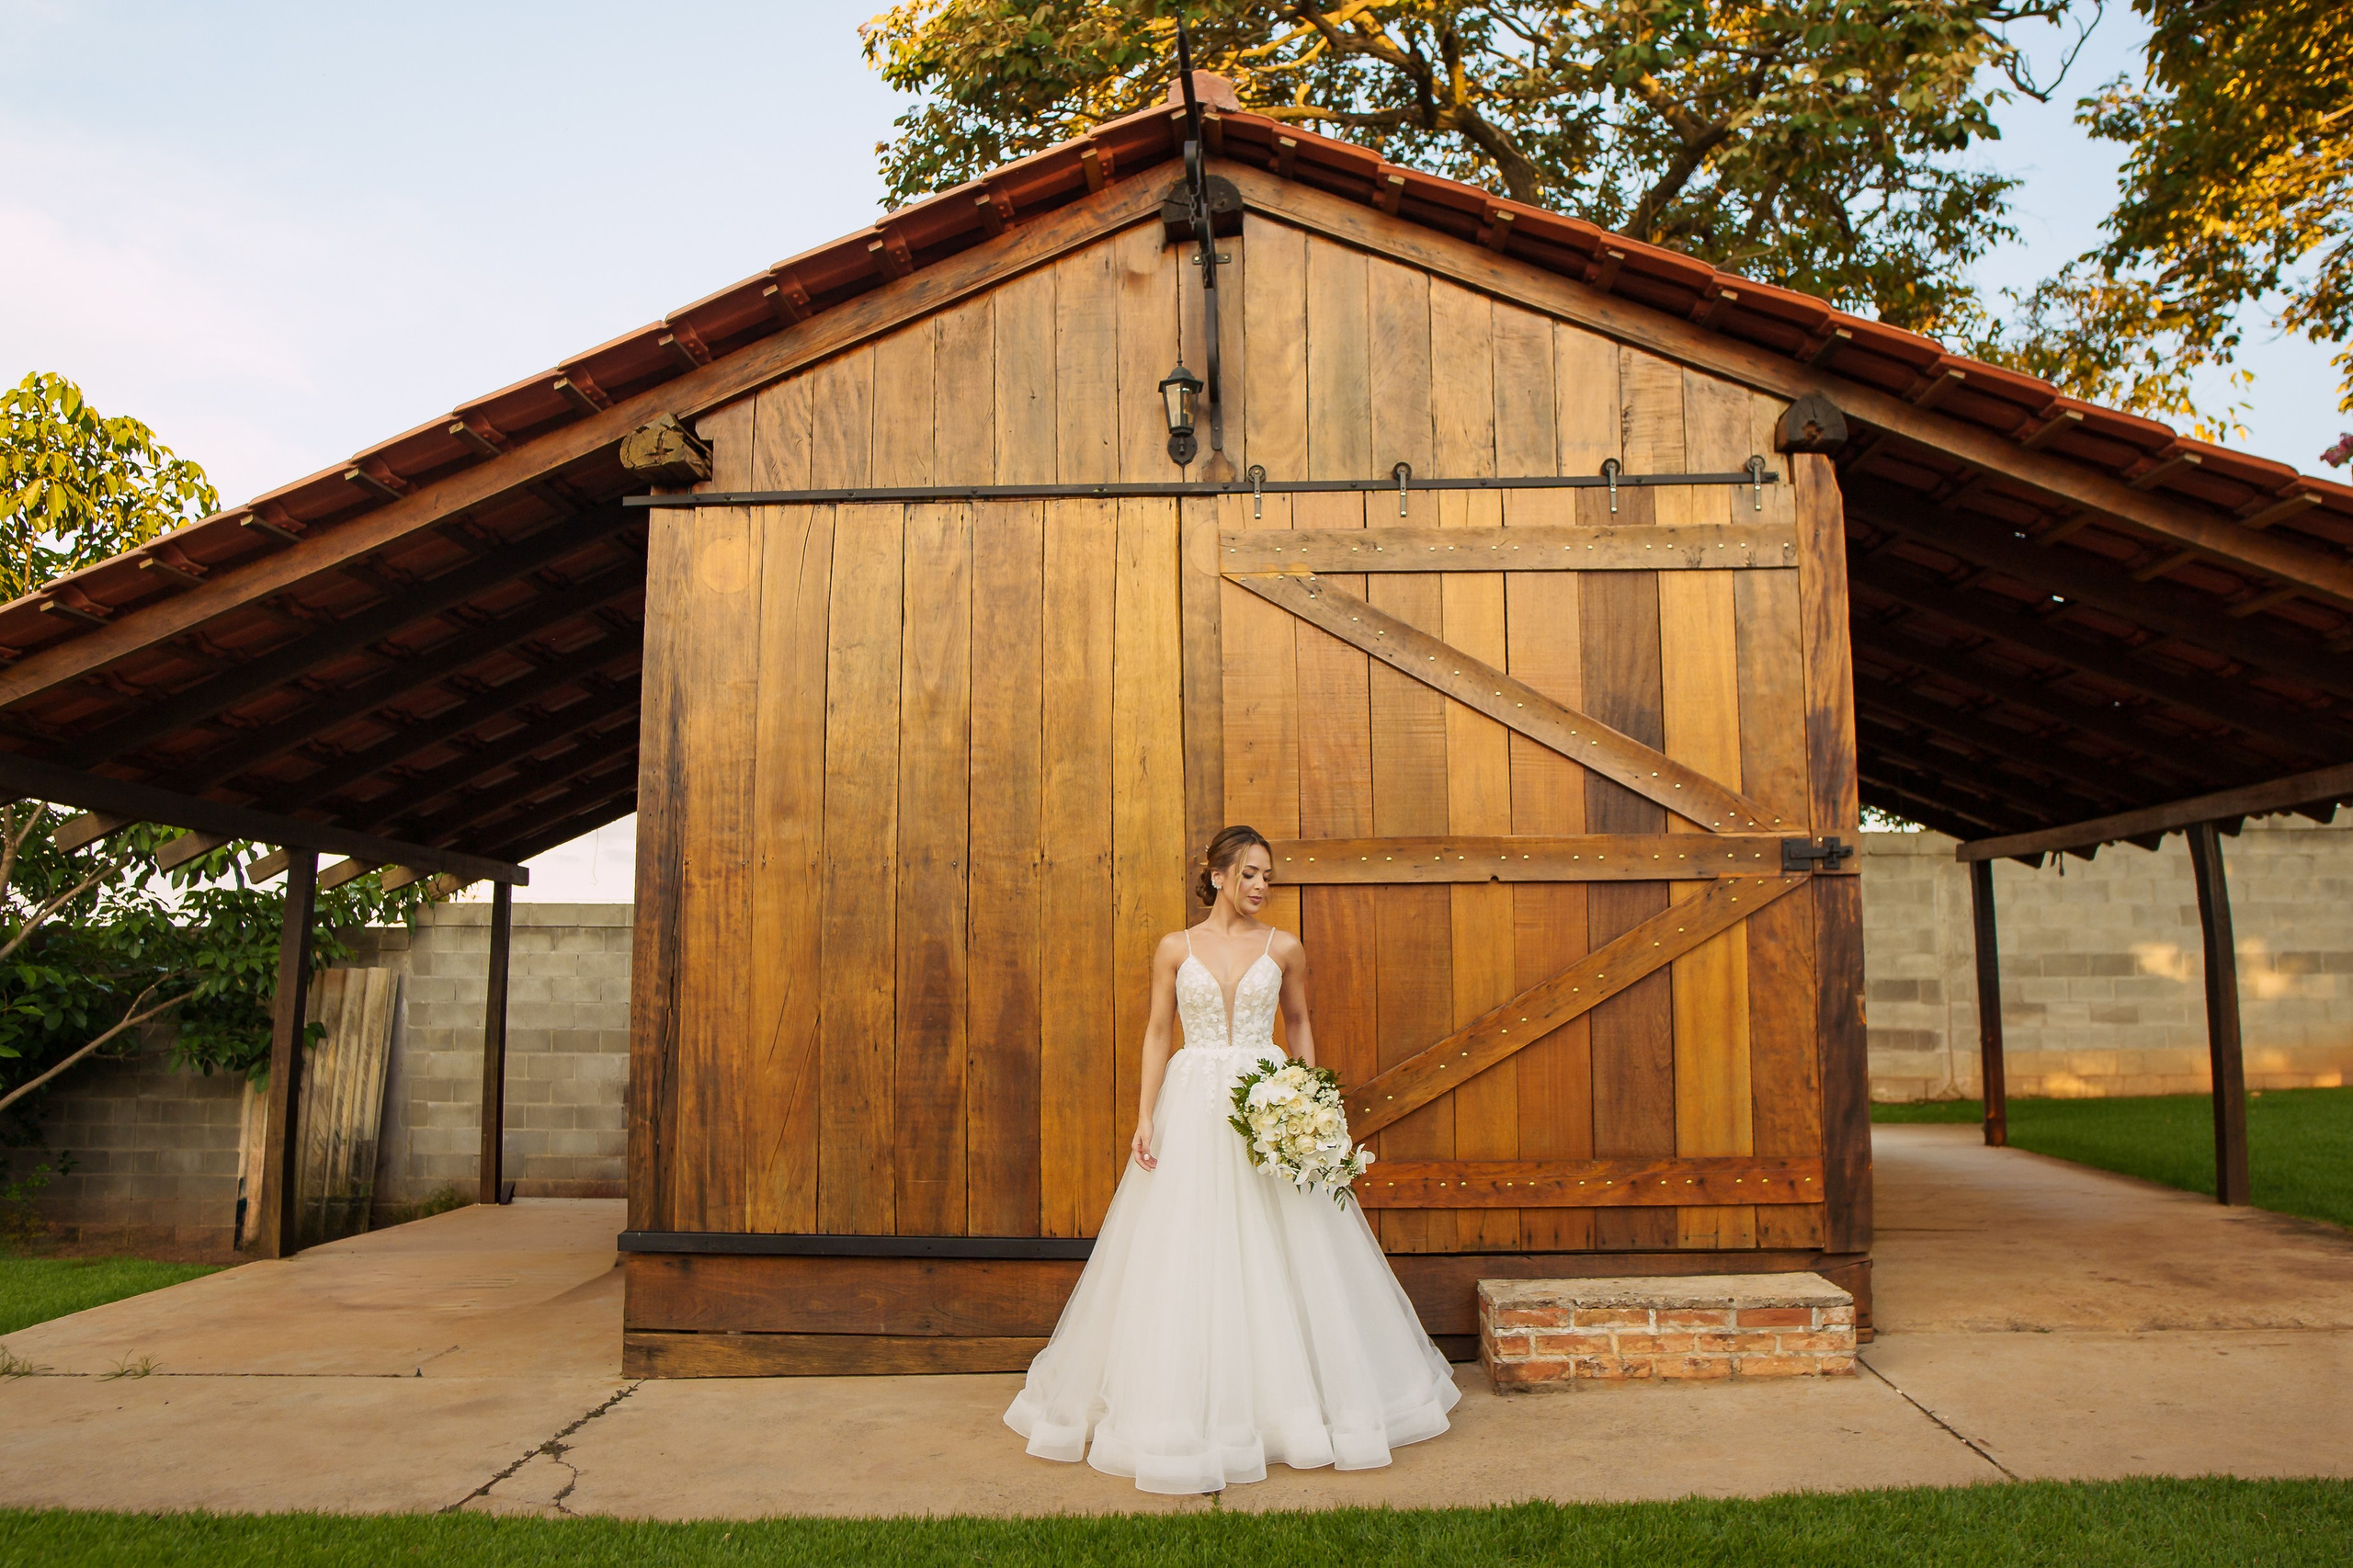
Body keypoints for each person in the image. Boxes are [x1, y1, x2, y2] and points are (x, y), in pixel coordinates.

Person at [1003, 824, 1459, 1494]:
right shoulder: (1173, 948)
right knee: (1188, 1246)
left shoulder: (1285, 948)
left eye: (1267, 876)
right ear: (1215, 874)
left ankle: (1297, 1406)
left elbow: (1298, 1023)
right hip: (1191, 1105)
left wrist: (1313, 1099)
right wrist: (1145, 1114)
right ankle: (1186, 1403)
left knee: (1286, 1248)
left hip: (1265, 1103)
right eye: (1248, 874)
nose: (1260, 888)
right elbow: (1160, 1031)